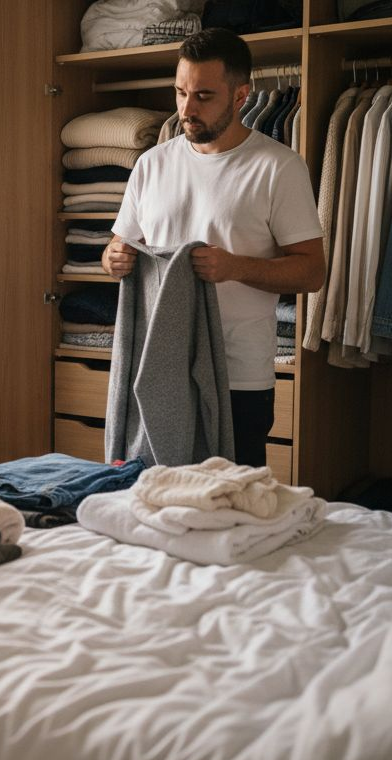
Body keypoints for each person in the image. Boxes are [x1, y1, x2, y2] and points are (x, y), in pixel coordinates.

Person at [102, 28, 325, 469]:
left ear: (241, 95)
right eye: (181, 92)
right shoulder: (152, 164)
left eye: (203, 95)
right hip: (158, 369)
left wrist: (234, 267)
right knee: (150, 498)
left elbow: (312, 272)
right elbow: (120, 245)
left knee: (231, 507)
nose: (186, 108)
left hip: (237, 376)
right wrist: (114, 258)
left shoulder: (278, 168)